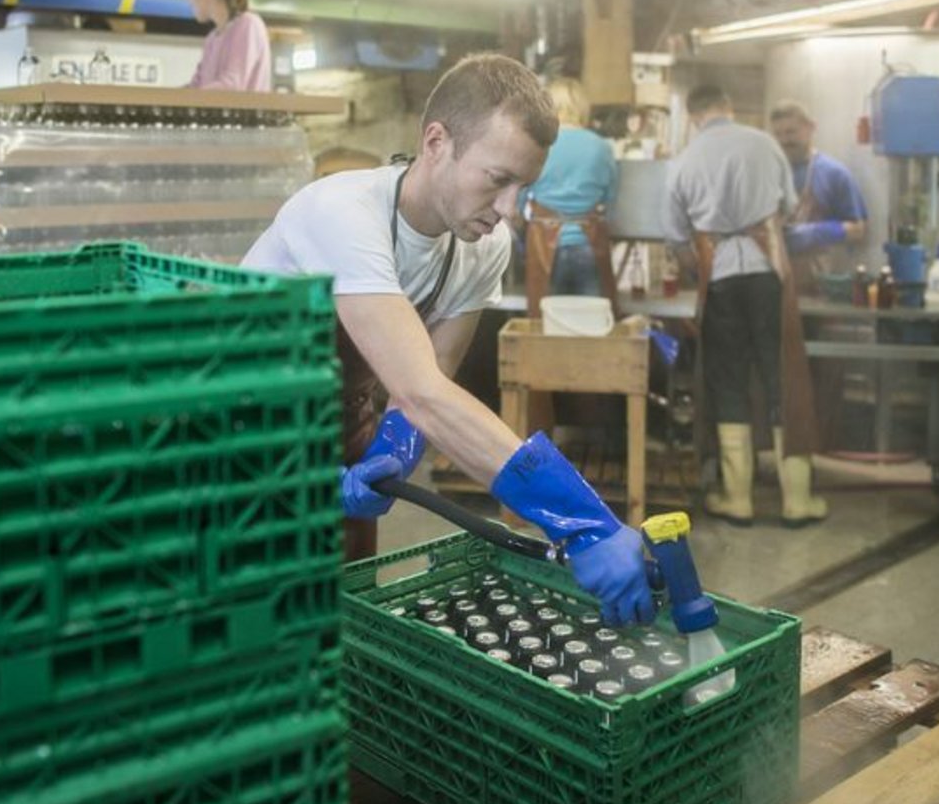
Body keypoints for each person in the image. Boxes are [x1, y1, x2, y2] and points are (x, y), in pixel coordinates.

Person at [242, 53, 654, 625]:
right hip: (243, 437)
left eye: (525, 188)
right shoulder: (340, 212)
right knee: (255, 621)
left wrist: (389, 453)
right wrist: (582, 519)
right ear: (436, 142)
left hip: (342, 430)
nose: (511, 211)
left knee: (342, 618)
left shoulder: (483, 247)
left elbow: (434, 371)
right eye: (498, 180)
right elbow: (420, 393)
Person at [664, 84, 827, 528]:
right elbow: (789, 211)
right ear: (729, 107)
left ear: (695, 116)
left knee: (729, 379)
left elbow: (677, 238)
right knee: (782, 377)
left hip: (718, 279)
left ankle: (738, 499)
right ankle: (797, 499)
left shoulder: (683, 160)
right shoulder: (765, 144)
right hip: (767, 273)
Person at [515, 77, 619, 308]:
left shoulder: (540, 144)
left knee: (546, 324)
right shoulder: (601, 147)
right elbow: (610, 199)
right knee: (591, 324)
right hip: (590, 243)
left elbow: (520, 195)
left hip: (543, 243)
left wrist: (522, 216)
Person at [768, 100, 868, 288]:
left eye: (791, 132)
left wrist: (817, 232)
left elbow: (859, 229)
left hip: (819, 283)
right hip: (773, 280)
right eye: (778, 134)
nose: (784, 141)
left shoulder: (834, 174)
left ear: (811, 128)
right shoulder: (767, 173)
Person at [184, 0, 271, 92]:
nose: (189, 1)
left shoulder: (248, 24)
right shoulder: (212, 39)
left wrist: (191, 97)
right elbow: (196, 85)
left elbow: (233, 84)